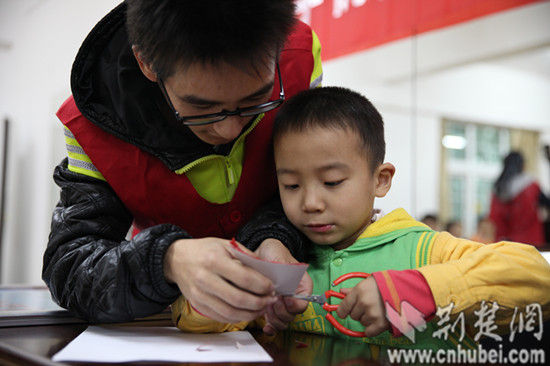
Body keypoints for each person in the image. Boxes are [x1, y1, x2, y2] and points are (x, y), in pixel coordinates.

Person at [172, 87, 550, 349]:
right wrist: (231, 296)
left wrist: (419, 290)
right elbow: (192, 320)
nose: (311, 203)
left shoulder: (423, 249)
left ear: (380, 180)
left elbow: (535, 275)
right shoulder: (285, 264)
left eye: (332, 182)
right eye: (290, 186)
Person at [42, 0, 323, 329]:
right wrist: (168, 259)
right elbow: (71, 268)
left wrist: (275, 238)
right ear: (146, 62)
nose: (229, 130)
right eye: (202, 108)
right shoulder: (94, 123)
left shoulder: (301, 62)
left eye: (255, 100)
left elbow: (315, 185)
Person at [489, 151, 550, 247]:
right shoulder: (531, 186)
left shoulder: (498, 188)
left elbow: (494, 218)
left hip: (505, 243)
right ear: (522, 165)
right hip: (530, 242)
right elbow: (547, 203)